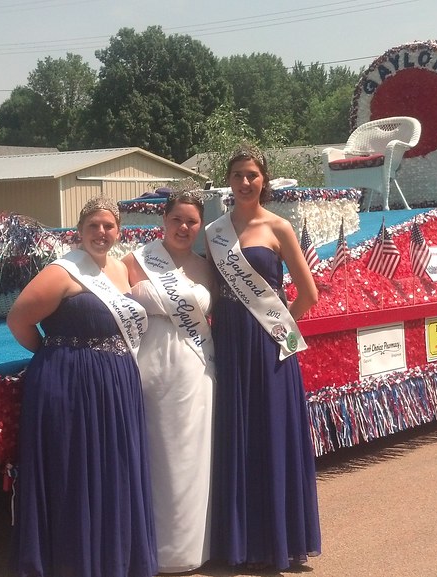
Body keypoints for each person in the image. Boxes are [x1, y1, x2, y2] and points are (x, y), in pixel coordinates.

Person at [7, 197, 156, 577]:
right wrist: (53, 354)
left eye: (108, 226)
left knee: (113, 471)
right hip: (71, 384)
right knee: (76, 471)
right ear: (80, 231)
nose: (101, 233)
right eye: (93, 226)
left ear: (118, 231)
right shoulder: (63, 272)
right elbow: (18, 320)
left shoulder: (121, 273)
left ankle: (111, 557)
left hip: (116, 384)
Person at [204, 145, 322, 570]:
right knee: (236, 434)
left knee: (271, 434)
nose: (245, 182)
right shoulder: (215, 231)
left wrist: (280, 329)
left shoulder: (279, 228)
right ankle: (238, 543)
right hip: (231, 344)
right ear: (229, 182)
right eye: (238, 175)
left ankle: (277, 541)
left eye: (252, 175)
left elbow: (309, 294)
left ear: (264, 181)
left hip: (270, 344)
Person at [122, 190, 217, 573]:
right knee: (155, 455)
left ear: (199, 225)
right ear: (164, 219)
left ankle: (192, 549)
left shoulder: (208, 267)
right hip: (150, 368)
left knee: (193, 458)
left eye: (191, 221)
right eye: (177, 219)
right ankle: (152, 549)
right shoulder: (135, 260)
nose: (183, 227)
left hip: (197, 369)